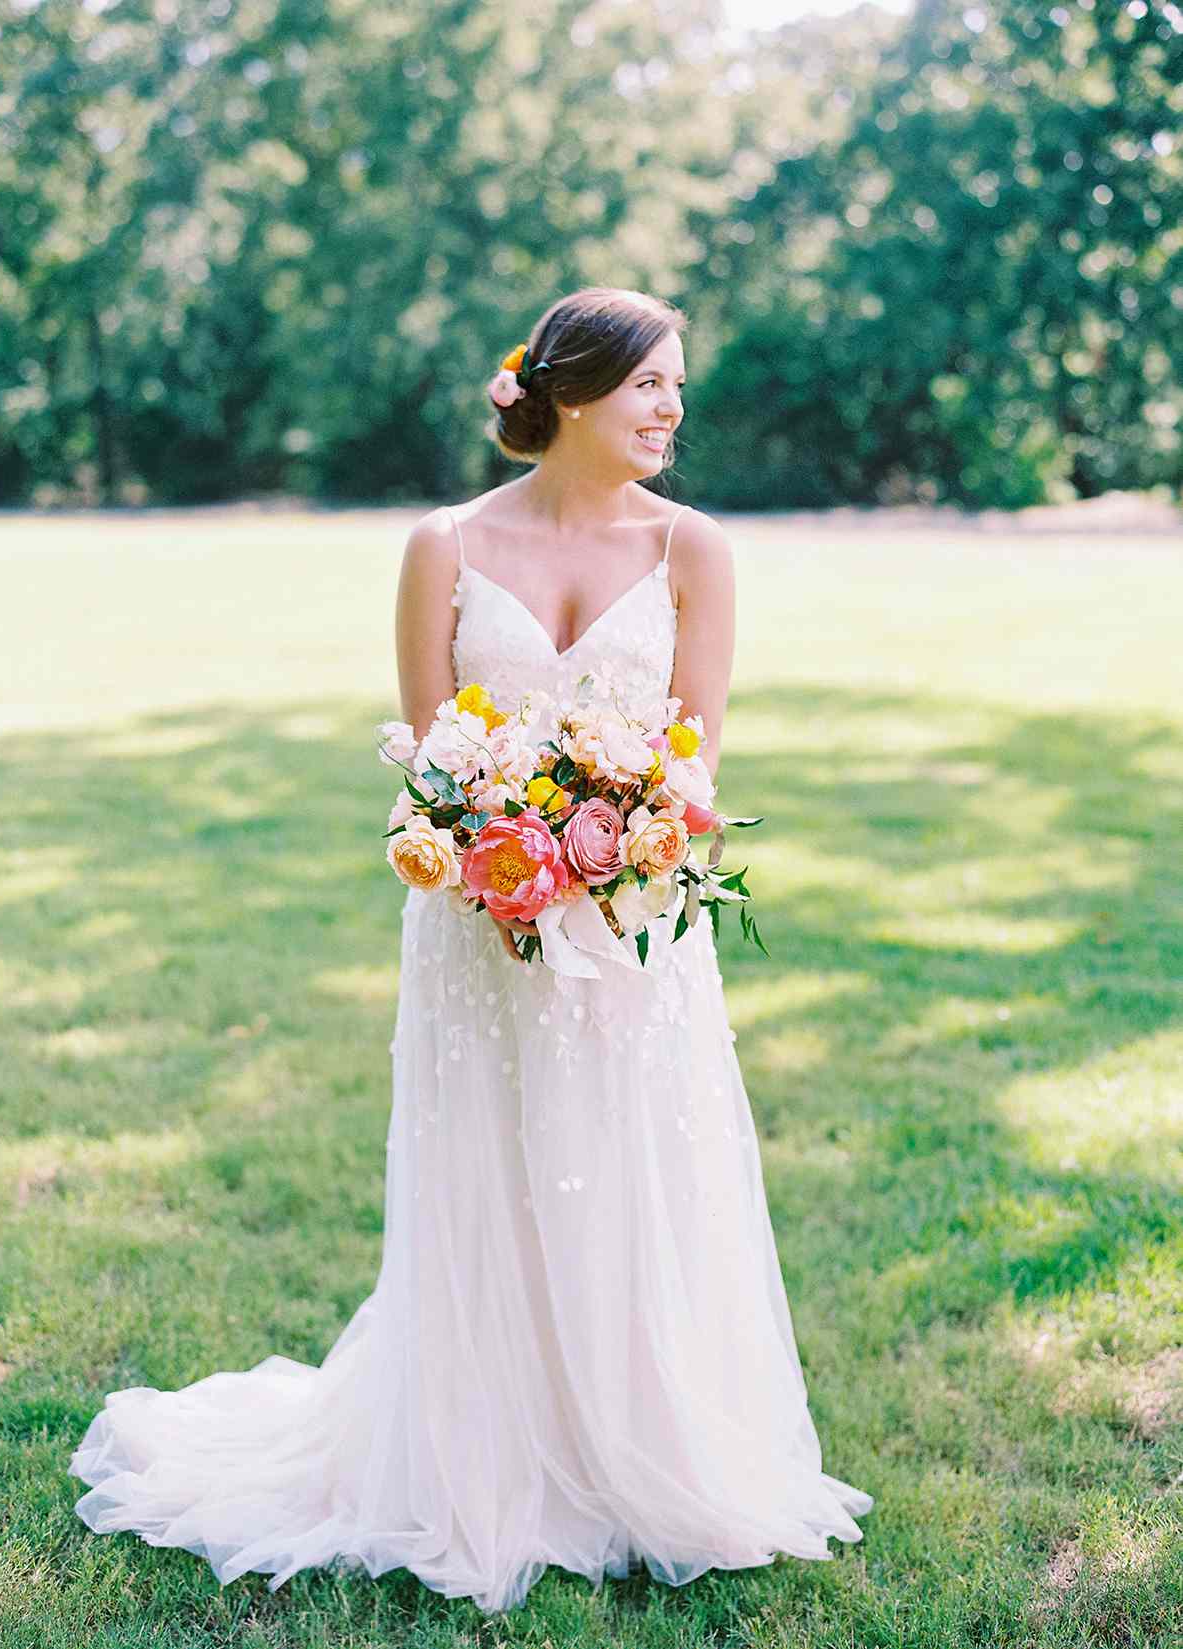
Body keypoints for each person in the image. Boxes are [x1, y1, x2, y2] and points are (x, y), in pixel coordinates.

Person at [68, 286, 873, 1614]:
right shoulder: (441, 546)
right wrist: (505, 848)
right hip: (474, 923)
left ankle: (644, 1446)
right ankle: (486, 1450)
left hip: (629, 932)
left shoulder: (696, 552)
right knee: (491, 1174)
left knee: (627, 1169)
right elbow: (434, 761)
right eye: (648, 385)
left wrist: (616, 844)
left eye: (679, 385)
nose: (672, 408)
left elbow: (697, 759)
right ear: (566, 393)